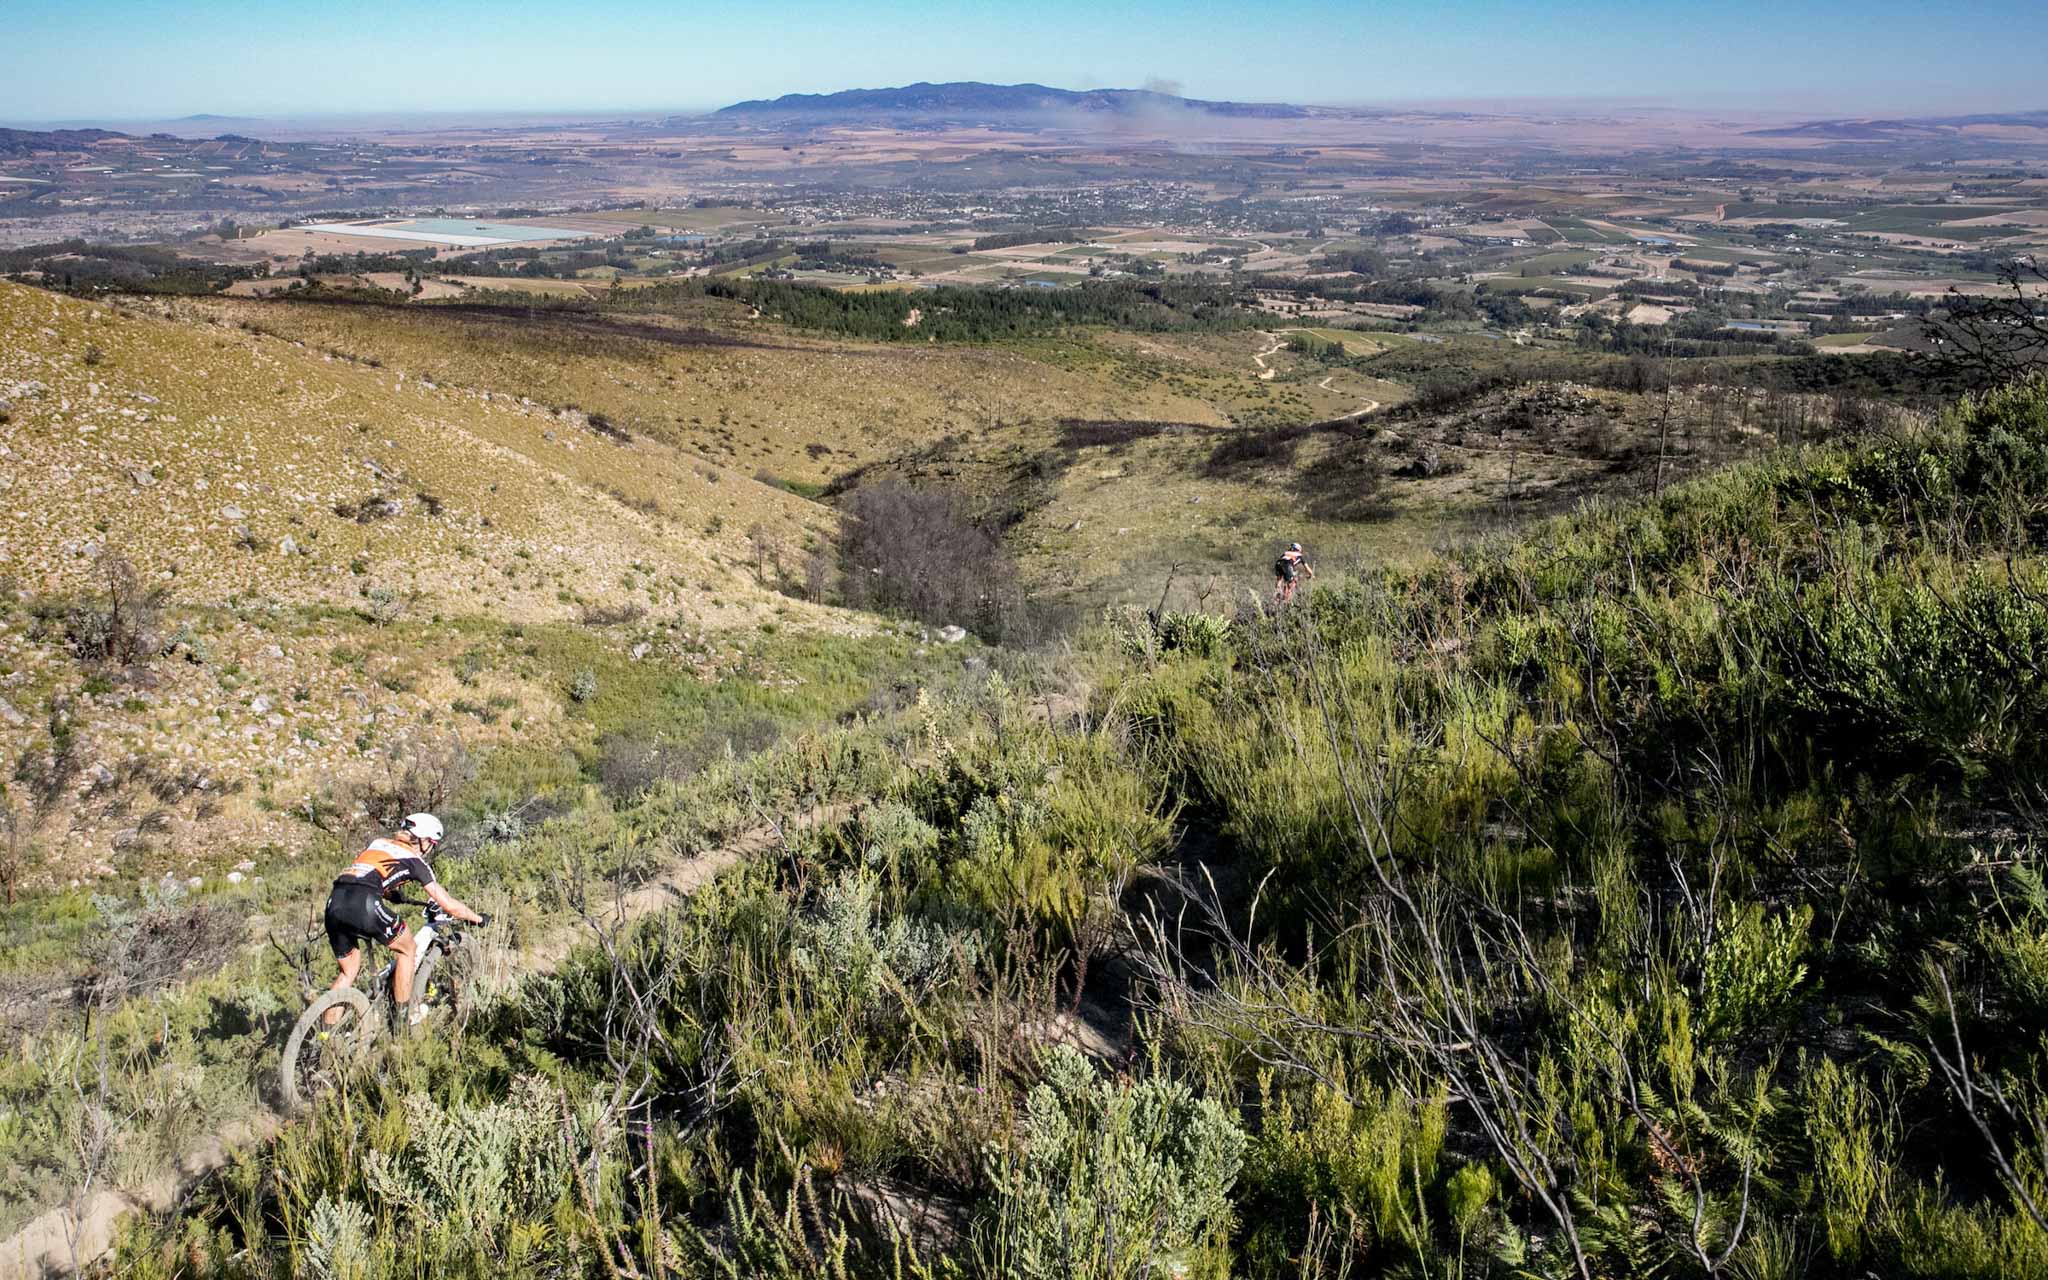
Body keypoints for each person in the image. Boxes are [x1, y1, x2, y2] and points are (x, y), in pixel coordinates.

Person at [321, 813, 486, 1025]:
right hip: (364, 903)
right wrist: (478, 919)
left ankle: (326, 1038)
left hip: (335, 900)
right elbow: (449, 905)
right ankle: (401, 1021)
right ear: (424, 840)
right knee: (408, 949)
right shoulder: (416, 862)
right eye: (432, 844)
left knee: (348, 972)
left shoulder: (377, 843)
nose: (431, 849)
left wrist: (390, 894)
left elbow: (366, 873)